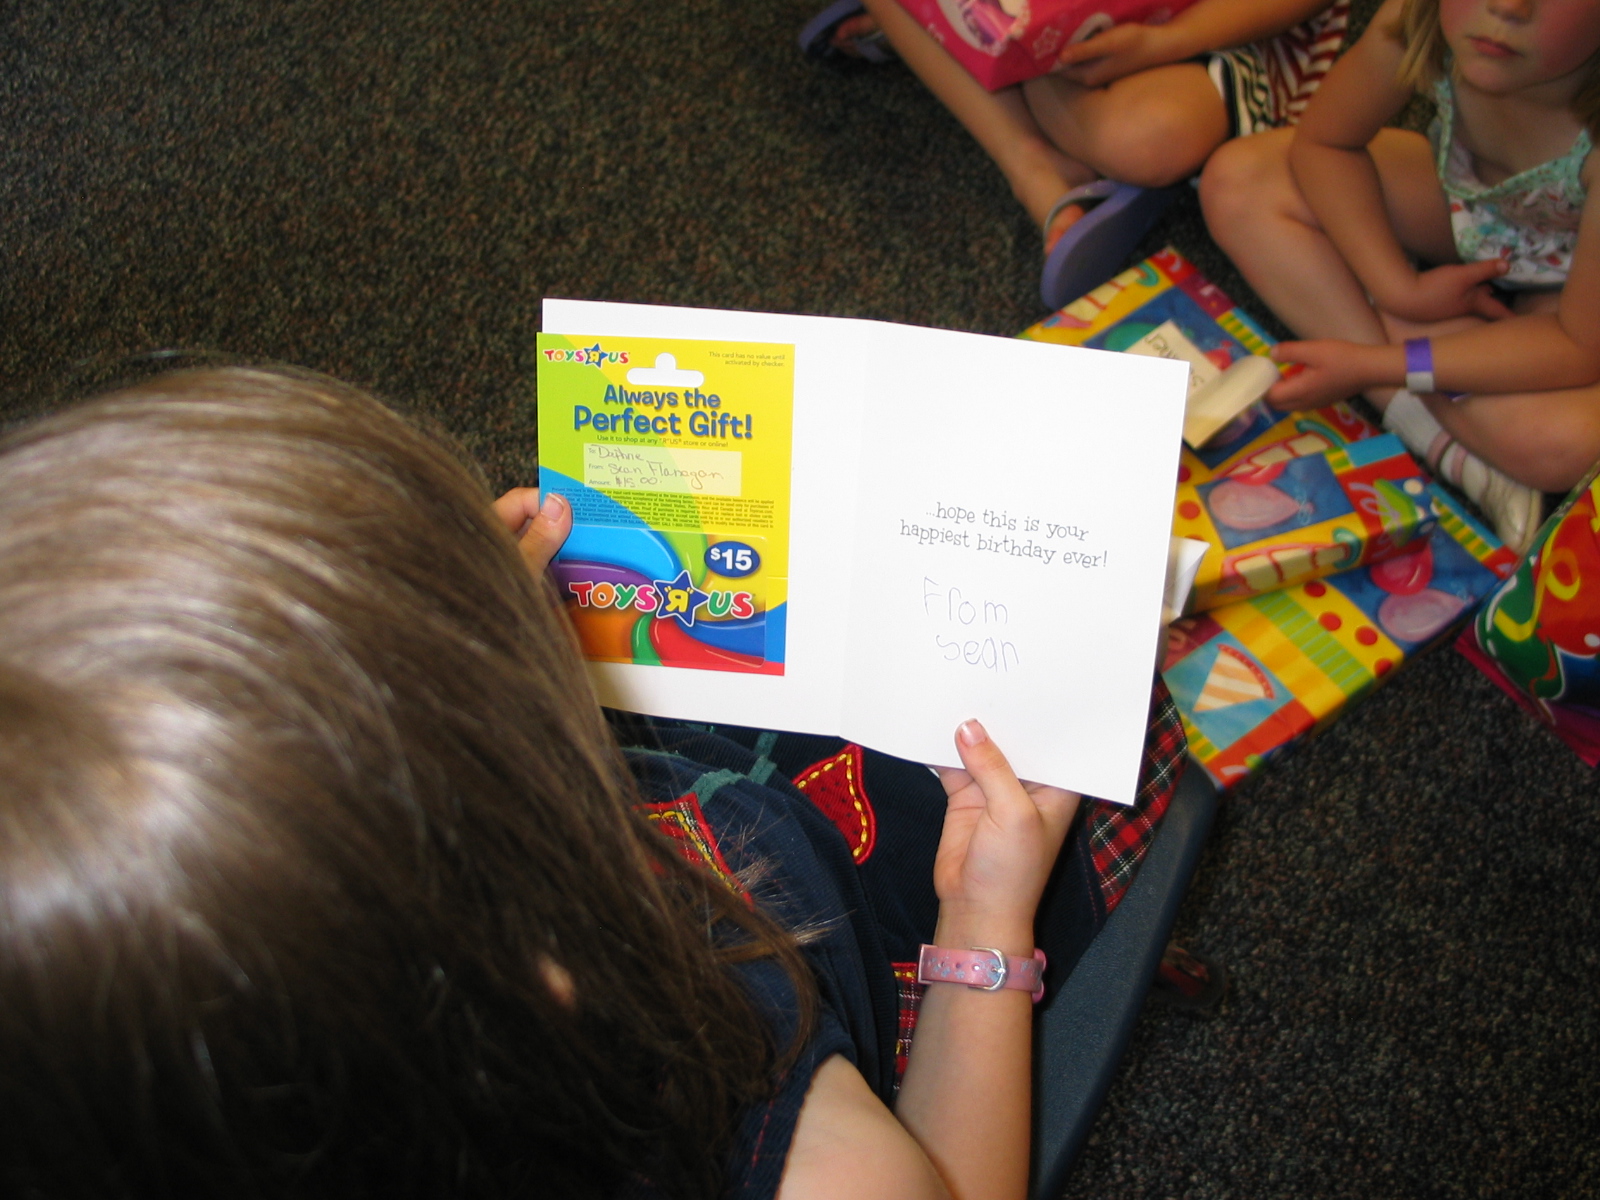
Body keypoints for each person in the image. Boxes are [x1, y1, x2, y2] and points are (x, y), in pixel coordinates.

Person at [0, 367, 1185, 1198]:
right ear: (550, 970)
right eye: (485, 664)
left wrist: (468, 620)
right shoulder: (787, 1134)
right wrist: (984, 921)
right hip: (851, 927)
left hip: (682, 812)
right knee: (1101, 711)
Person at [1200, 0, 1600, 554]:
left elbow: (1578, 345)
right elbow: (1325, 142)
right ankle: (1430, 415)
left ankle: (1389, 366)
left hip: (1573, 288)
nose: (1507, 5)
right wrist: (1398, 288)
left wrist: (1375, 365)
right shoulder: (1420, 16)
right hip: (1474, 212)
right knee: (1239, 182)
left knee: (1562, 442)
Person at [814, 0, 1349, 306]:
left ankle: (958, 49)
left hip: (1219, 24)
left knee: (1147, 138)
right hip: (1067, 22)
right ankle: (1033, 164)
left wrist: (1167, 41)